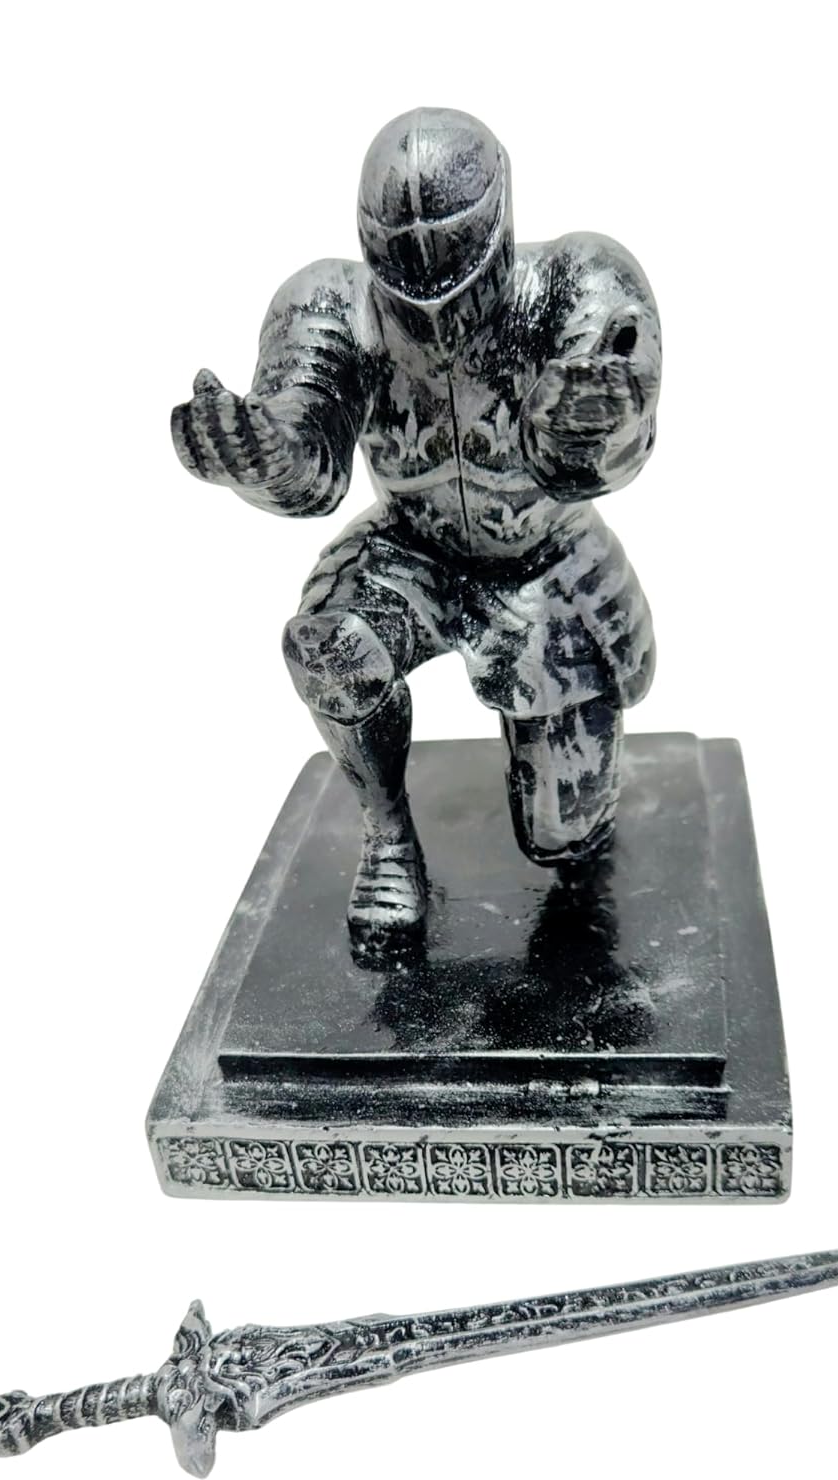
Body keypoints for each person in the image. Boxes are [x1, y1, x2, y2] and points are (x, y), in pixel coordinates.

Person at [171, 108, 660, 962]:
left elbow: (598, 447)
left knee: (565, 837)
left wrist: (590, 421)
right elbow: (311, 452)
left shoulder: (579, 282)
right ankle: (388, 834)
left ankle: (569, 809)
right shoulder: (333, 307)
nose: (436, 309)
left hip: (542, 561)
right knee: (329, 643)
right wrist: (262, 457)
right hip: (411, 550)